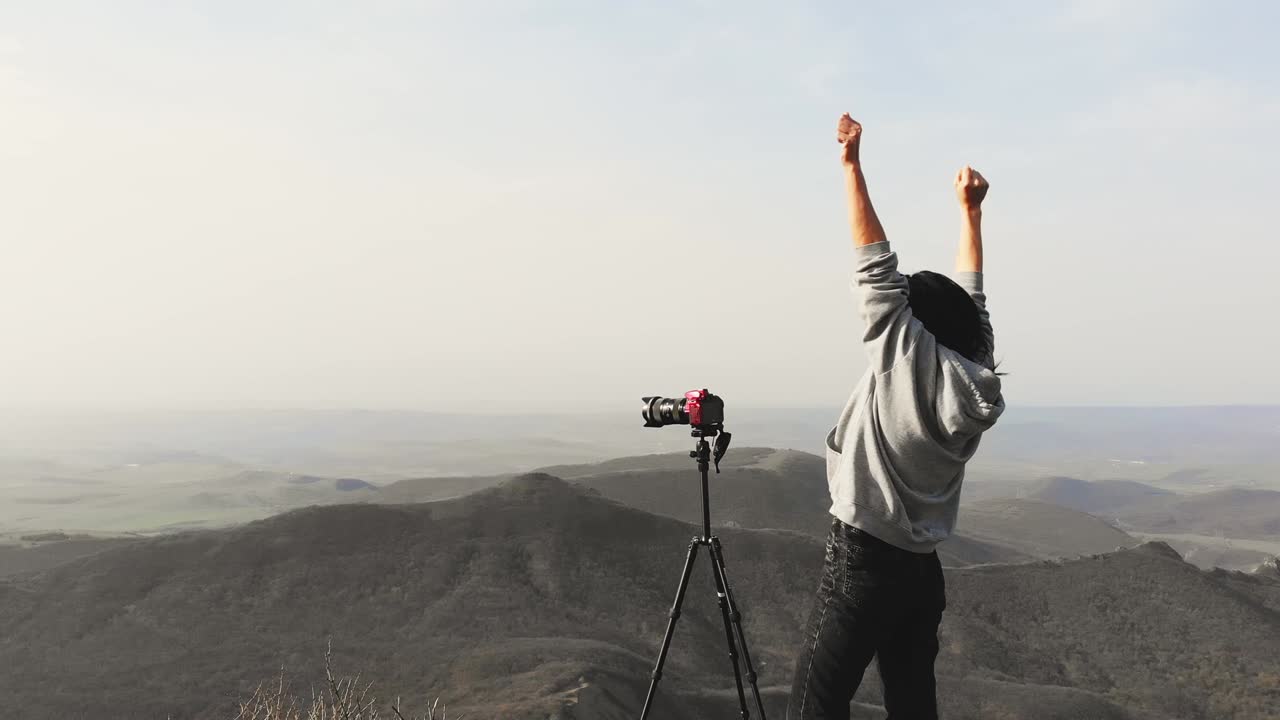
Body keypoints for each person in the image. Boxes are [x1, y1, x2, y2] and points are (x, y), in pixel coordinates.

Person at [786, 113, 1006, 720]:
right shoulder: (973, 372)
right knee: (913, 705)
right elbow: (972, 301)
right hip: (920, 573)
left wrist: (852, 165)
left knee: (814, 705)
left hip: (863, 561)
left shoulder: (903, 359)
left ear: (915, 327)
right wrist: (971, 214)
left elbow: (873, 267)